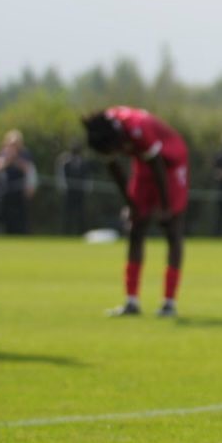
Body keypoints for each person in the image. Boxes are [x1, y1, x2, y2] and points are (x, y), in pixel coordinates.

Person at [83, 107, 189, 318]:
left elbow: (158, 165)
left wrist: (165, 206)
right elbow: (115, 169)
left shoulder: (139, 127)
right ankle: (131, 302)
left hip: (170, 164)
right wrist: (131, 204)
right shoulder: (104, 133)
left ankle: (169, 303)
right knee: (135, 228)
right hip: (143, 167)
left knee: (171, 228)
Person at [0, 129, 36, 235]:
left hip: (20, 191)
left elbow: (29, 169)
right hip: (5, 191)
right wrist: (9, 159)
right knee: (6, 218)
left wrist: (16, 160)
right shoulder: (2, 153)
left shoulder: (25, 153)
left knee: (21, 219)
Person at [55, 141, 93, 235]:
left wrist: (87, 188)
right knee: (68, 213)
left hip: (80, 192)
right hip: (69, 192)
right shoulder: (66, 162)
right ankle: (66, 232)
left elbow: (87, 177)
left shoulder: (83, 162)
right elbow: (62, 176)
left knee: (81, 213)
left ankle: (81, 232)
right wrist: (63, 188)